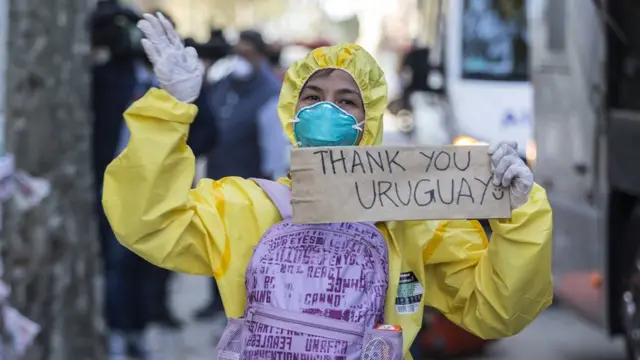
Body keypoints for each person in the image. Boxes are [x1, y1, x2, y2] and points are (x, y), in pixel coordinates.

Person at [103, 13, 553, 360]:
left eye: (346, 101)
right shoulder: (249, 207)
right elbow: (148, 221)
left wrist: (518, 214)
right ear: (291, 113)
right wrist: (171, 106)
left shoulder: (413, 220)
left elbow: (495, 308)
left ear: (368, 121)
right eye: (314, 98)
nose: (327, 110)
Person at [187, 29, 290, 321]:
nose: (240, 60)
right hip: (218, 180)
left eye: (247, 54)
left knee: (246, 247)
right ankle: (215, 299)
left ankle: (245, 307)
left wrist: (273, 186)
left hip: (251, 185)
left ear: (259, 55)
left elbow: (273, 147)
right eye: (237, 53)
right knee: (216, 241)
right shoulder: (222, 83)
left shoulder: (270, 93)